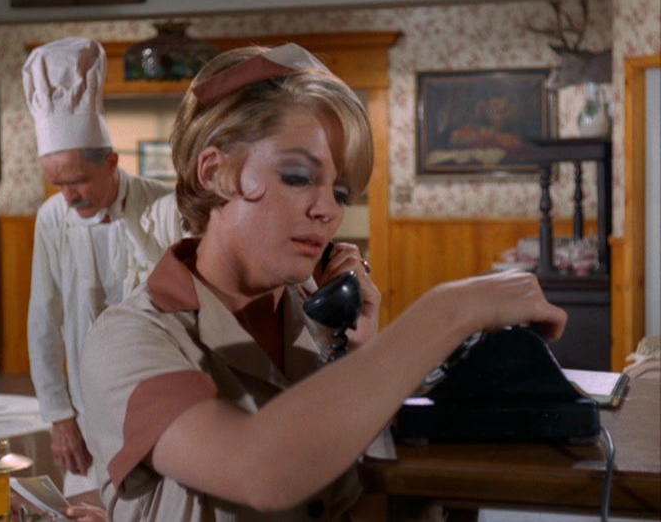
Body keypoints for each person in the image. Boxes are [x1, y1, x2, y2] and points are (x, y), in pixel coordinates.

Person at [80, 43, 567, 521]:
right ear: (215, 171)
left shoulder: (324, 323)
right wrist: (449, 312)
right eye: (298, 176)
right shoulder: (130, 338)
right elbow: (259, 470)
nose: (328, 210)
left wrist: (359, 354)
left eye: (340, 191)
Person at [22, 37, 182, 496]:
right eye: (57, 184)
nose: (69, 196)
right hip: (86, 416)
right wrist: (60, 417)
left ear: (111, 162)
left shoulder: (164, 207)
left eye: (77, 182)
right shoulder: (53, 218)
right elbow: (43, 321)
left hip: (162, 409)